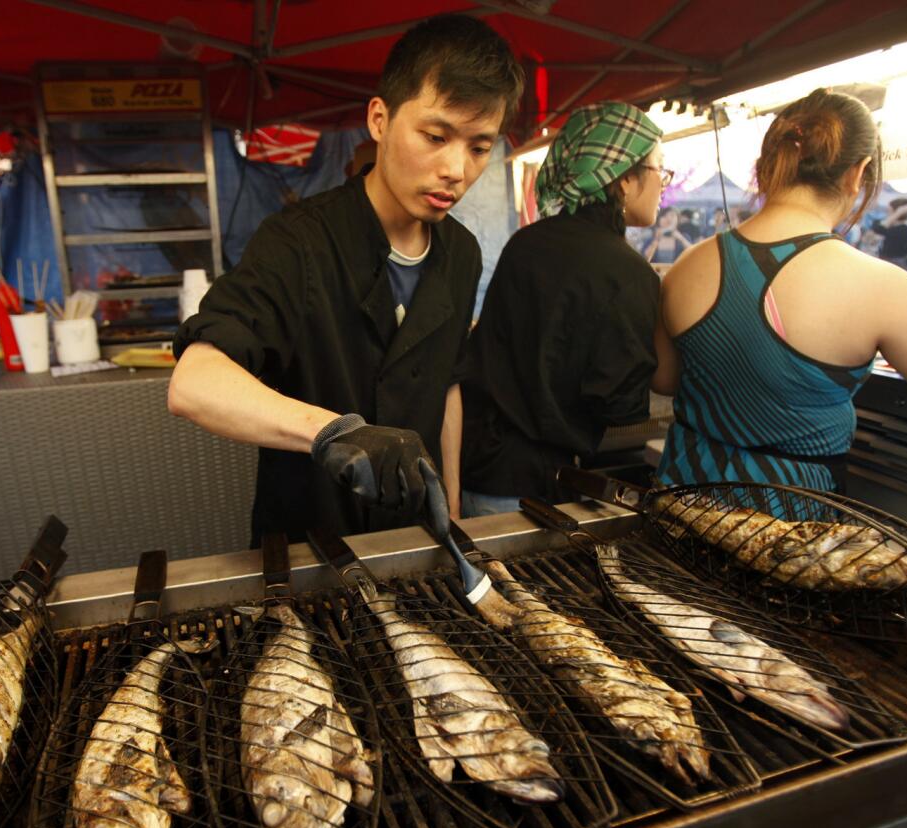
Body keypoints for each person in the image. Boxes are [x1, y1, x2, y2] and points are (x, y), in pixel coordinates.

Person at [168, 15, 522, 541]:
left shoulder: (461, 254)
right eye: (435, 135)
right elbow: (194, 384)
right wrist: (333, 432)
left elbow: (447, 385)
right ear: (379, 120)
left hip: (411, 536)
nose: (456, 169)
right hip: (309, 544)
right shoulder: (299, 242)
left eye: (478, 146)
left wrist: (451, 508)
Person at [651, 89, 907, 492]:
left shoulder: (689, 264)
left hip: (684, 495)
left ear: (769, 166)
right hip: (791, 520)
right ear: (858, 172)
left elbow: (665, 379)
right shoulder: (882, 285)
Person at [458, 102, 664, 514]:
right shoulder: (628, 272)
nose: (665, 184)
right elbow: (619, 406)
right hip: (541, 489)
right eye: (661, 170)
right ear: (624, 180)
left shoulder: (526, 244)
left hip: (481, 470)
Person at [871, 197, 907, 269]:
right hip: (885, 261)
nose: (888, 214)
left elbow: (880, 229)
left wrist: (898, 213)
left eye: (889, 211)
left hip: (893, 264)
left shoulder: (905, 229)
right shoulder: (888, 224)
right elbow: (877, 229)